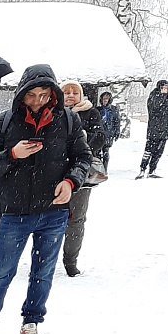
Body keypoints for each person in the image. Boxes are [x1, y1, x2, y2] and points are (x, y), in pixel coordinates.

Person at [0, 64, 92, 334]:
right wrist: (12, 153)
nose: (37, 101)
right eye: (31, 95)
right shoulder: (2, 123)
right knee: (1, 271)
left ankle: (31, 321)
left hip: (54, 211)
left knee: (43, 271)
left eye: (43, 95)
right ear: (21, 93)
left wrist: (71, 182)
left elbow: (84, 158)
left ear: (53, 94)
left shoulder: (69, 121)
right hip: (14, 212)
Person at [60, 80, 106, 278]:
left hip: (81, 176)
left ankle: (70, 260)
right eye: (66, 92)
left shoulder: (90, 113)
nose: (70, 95)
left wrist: (83, 142)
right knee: (49, 220)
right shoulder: (52, 114)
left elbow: (102, 137)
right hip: (54, 175)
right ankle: (45, 258)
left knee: (76, 220)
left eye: (74, 92)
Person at [138, 80, 168, 179]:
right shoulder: (153, 96)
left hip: (164, 130)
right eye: (164, 87)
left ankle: (152, 170)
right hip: (154, 130)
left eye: (167, 87)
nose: (166, 89)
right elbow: (154, 108)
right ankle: (142, 169)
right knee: (148, 150)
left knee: (159, 152)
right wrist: (161, 96)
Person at [98, 89, 123, 171]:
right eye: (103, 99)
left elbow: (117, 121)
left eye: (107, 99)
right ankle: (98, 169)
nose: (105, 100)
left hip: (108, 133)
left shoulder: (114, 109)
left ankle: (105, 169)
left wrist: (117, 132)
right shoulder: (98, 109)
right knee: (97, 152)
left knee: (105, 152)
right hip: (99, 133)